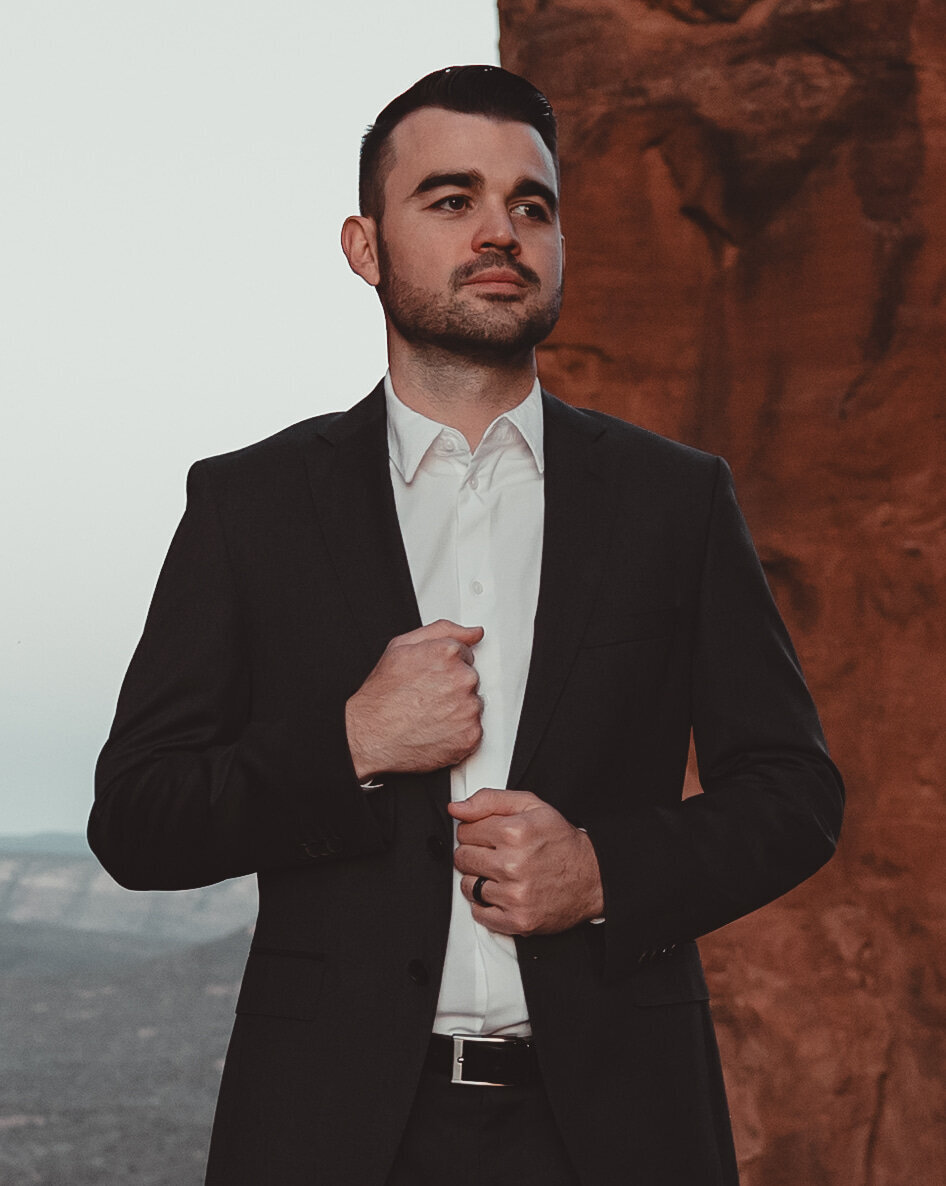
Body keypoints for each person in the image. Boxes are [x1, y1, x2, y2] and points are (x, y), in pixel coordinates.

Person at [89, 65, 844, 1186]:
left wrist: (603, 869)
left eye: (530, 205)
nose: (500, 230)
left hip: (621, 1131)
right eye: (451, 200)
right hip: (329, 1136)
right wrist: (350, 741)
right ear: (363, 245)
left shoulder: (673, 501)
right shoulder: (249, 506)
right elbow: (138, 818)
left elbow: (794, 792)